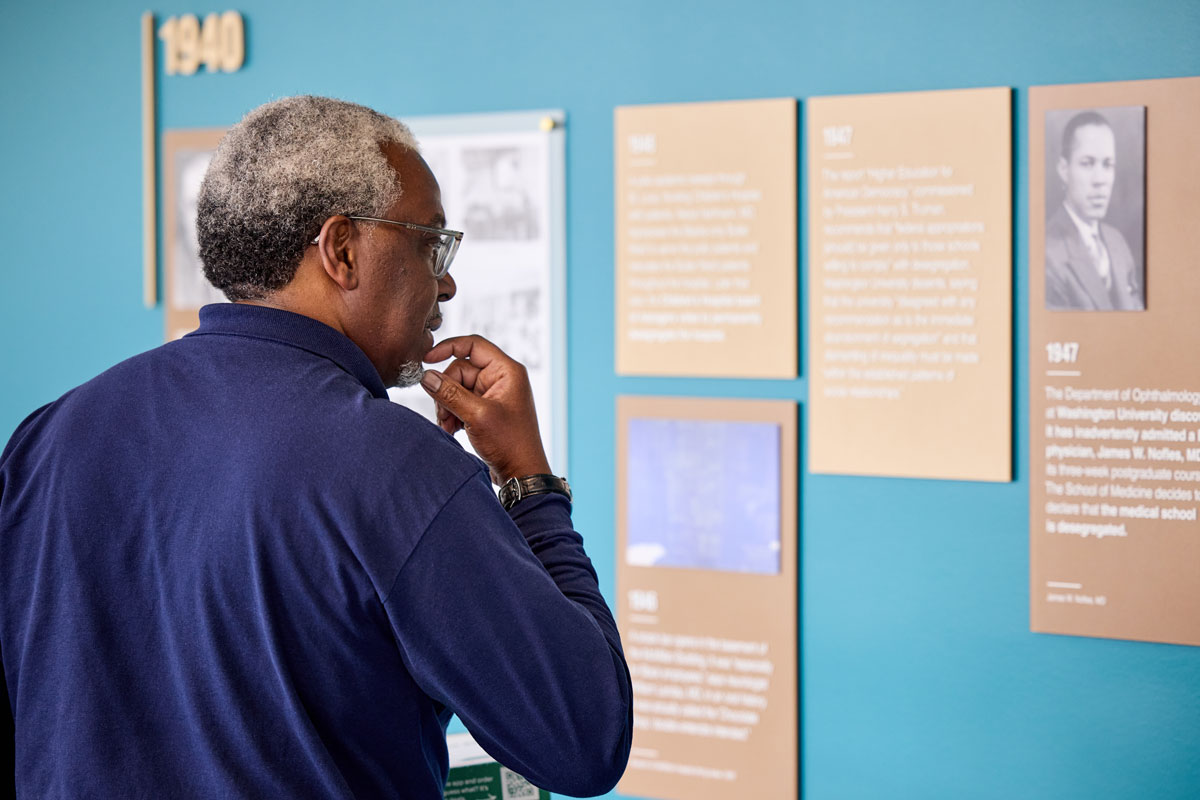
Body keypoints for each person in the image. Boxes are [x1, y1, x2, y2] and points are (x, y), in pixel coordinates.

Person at [0, 96, 631, 798]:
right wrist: (526, 478)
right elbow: (584, 740)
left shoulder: (48, 438)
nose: (446, 280)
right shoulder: (396, 468)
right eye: (431, 243)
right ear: (342, 250)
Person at [1045, 110, 1144, 311]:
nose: (1100, 180)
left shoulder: (1117, 242)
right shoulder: (1046, 253)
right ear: (1064, 170)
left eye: (1108, 165)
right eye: (1087, 164)